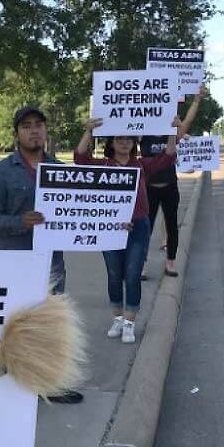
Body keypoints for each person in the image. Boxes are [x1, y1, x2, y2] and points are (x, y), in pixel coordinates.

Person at [0, 105, 83, 404]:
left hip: (52, 262)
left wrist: (113, 225)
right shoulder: (1, 172)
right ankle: (11, 384)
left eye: (39, 125)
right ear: (16, 133)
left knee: (51, 323)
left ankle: (48, 384)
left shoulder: (60, 170)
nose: (34, 130)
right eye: (26, 126)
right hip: (15, 260)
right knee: (15, 325)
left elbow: (81, 212)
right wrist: (19, 222)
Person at [75, 100, 196, 343]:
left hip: (138, 228)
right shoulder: (104, 166)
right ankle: (118, 318)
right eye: (119, 138)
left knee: (132, 274)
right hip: (109, 230)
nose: (124, 141)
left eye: (128, 138)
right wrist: (88, 130)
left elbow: (168, 157)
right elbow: (80, 158)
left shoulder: (141, 165)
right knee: (113, 274)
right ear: (111, 142)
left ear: (134, 142)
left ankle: (130, 322)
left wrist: (173, 132)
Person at [140, 86, 208, 279]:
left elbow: (187, 121)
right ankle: (142, 265)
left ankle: (170, 263)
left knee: (171, 226)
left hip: (169, 186)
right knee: (146, 227)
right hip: (149, 188)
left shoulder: (174, 133)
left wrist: (196, 100)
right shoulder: (144, 132)